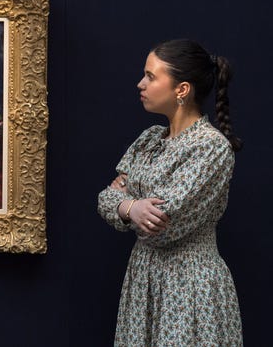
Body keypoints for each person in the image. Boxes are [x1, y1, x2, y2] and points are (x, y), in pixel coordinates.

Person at [97, 39, 243, 346]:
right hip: (143, 281)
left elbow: (161, 226)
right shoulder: (149, 139)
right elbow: (105, 198)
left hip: (189, 285)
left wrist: (126, 202)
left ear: (182, 89)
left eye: (151, 76)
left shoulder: (211, 148)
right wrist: (131, 207)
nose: (141, 83)